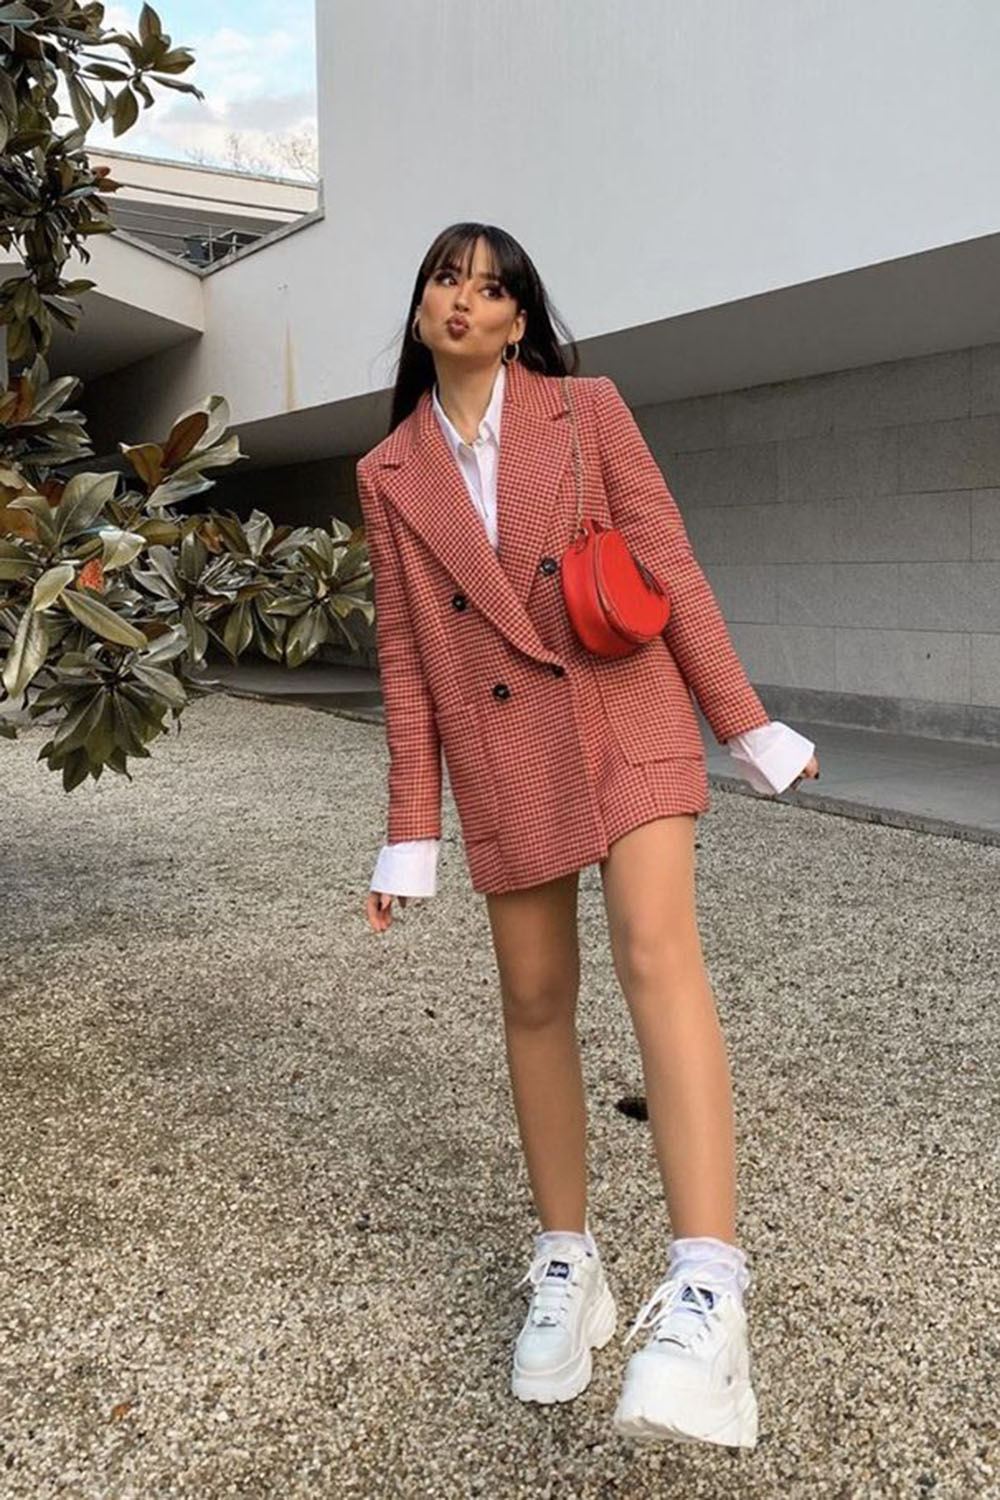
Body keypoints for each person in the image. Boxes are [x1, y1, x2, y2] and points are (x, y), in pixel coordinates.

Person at [358, 222, 819, 1450]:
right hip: (504, 749)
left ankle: (710, 1287)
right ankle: (569, 1264)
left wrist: (745, 721)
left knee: (654, 945)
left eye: (491, 286)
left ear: (521, 320)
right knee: (533, 996)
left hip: (627, 712)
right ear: (419, 314)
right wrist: (412, 833)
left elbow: (668, 560)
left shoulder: (589, 411)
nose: (465, 299)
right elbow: (407, 661)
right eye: (446, 281)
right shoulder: (387, 474)